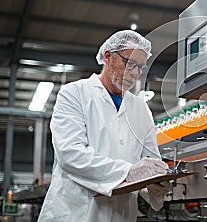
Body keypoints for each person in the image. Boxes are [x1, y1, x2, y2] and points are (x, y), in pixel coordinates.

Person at [38, 30, 171, 221]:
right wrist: (128, 173)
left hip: (121, 214)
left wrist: (157, 185)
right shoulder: (74, 93)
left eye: (140, 67)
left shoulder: (141, 109)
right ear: (108, 57)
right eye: (130, 63)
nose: (135, 73)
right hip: (75, 212)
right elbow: (70, 154)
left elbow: (150, 161)